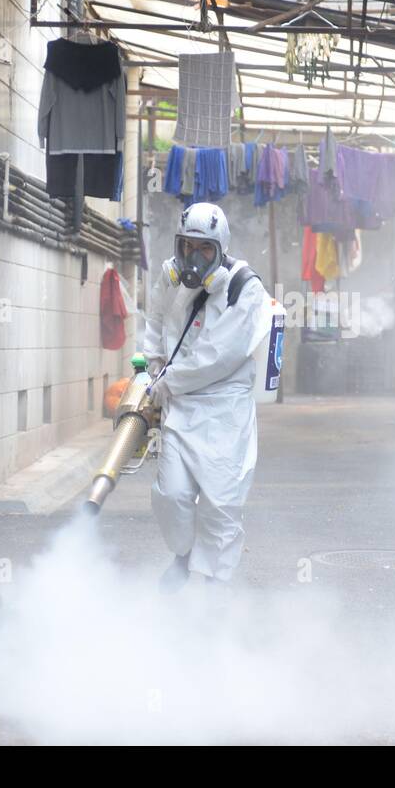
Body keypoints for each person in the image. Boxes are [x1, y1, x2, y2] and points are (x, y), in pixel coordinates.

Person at [140, 202, 270, 593]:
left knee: (220, 506)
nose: (193, 259)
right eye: (187, 247)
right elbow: (156, 320)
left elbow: (217, 356)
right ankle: (184, 557)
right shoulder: (170, 277)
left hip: (223, 410)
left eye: (204, 250)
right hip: (181, 408)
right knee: (172, 495)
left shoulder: (244, 288)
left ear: (221, 248)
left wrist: (166, 383)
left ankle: (213, 591)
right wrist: (153, 361)